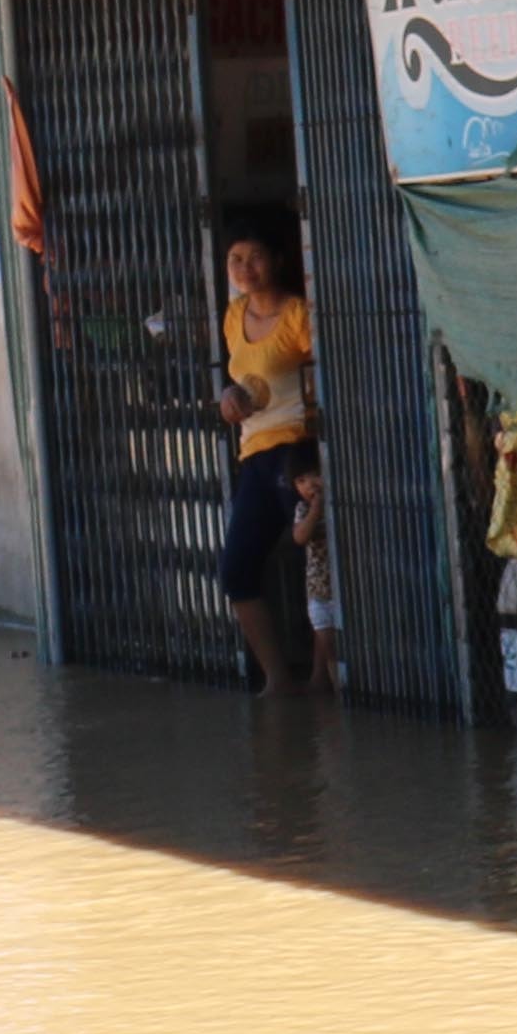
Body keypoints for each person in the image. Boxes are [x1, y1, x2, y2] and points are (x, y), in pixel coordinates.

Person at [213, 230, 325, 696]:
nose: (244, 267)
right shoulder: (234, 314)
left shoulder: (299, 314)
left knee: (320, 565)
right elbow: (238, 377)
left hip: (296, 452)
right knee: (236, 571)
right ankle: (277, 676)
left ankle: (324, 677)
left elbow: (321, 376)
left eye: (255, 257)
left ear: (277, 261)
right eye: (235, 259)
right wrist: (227, 397)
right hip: (254, 457)